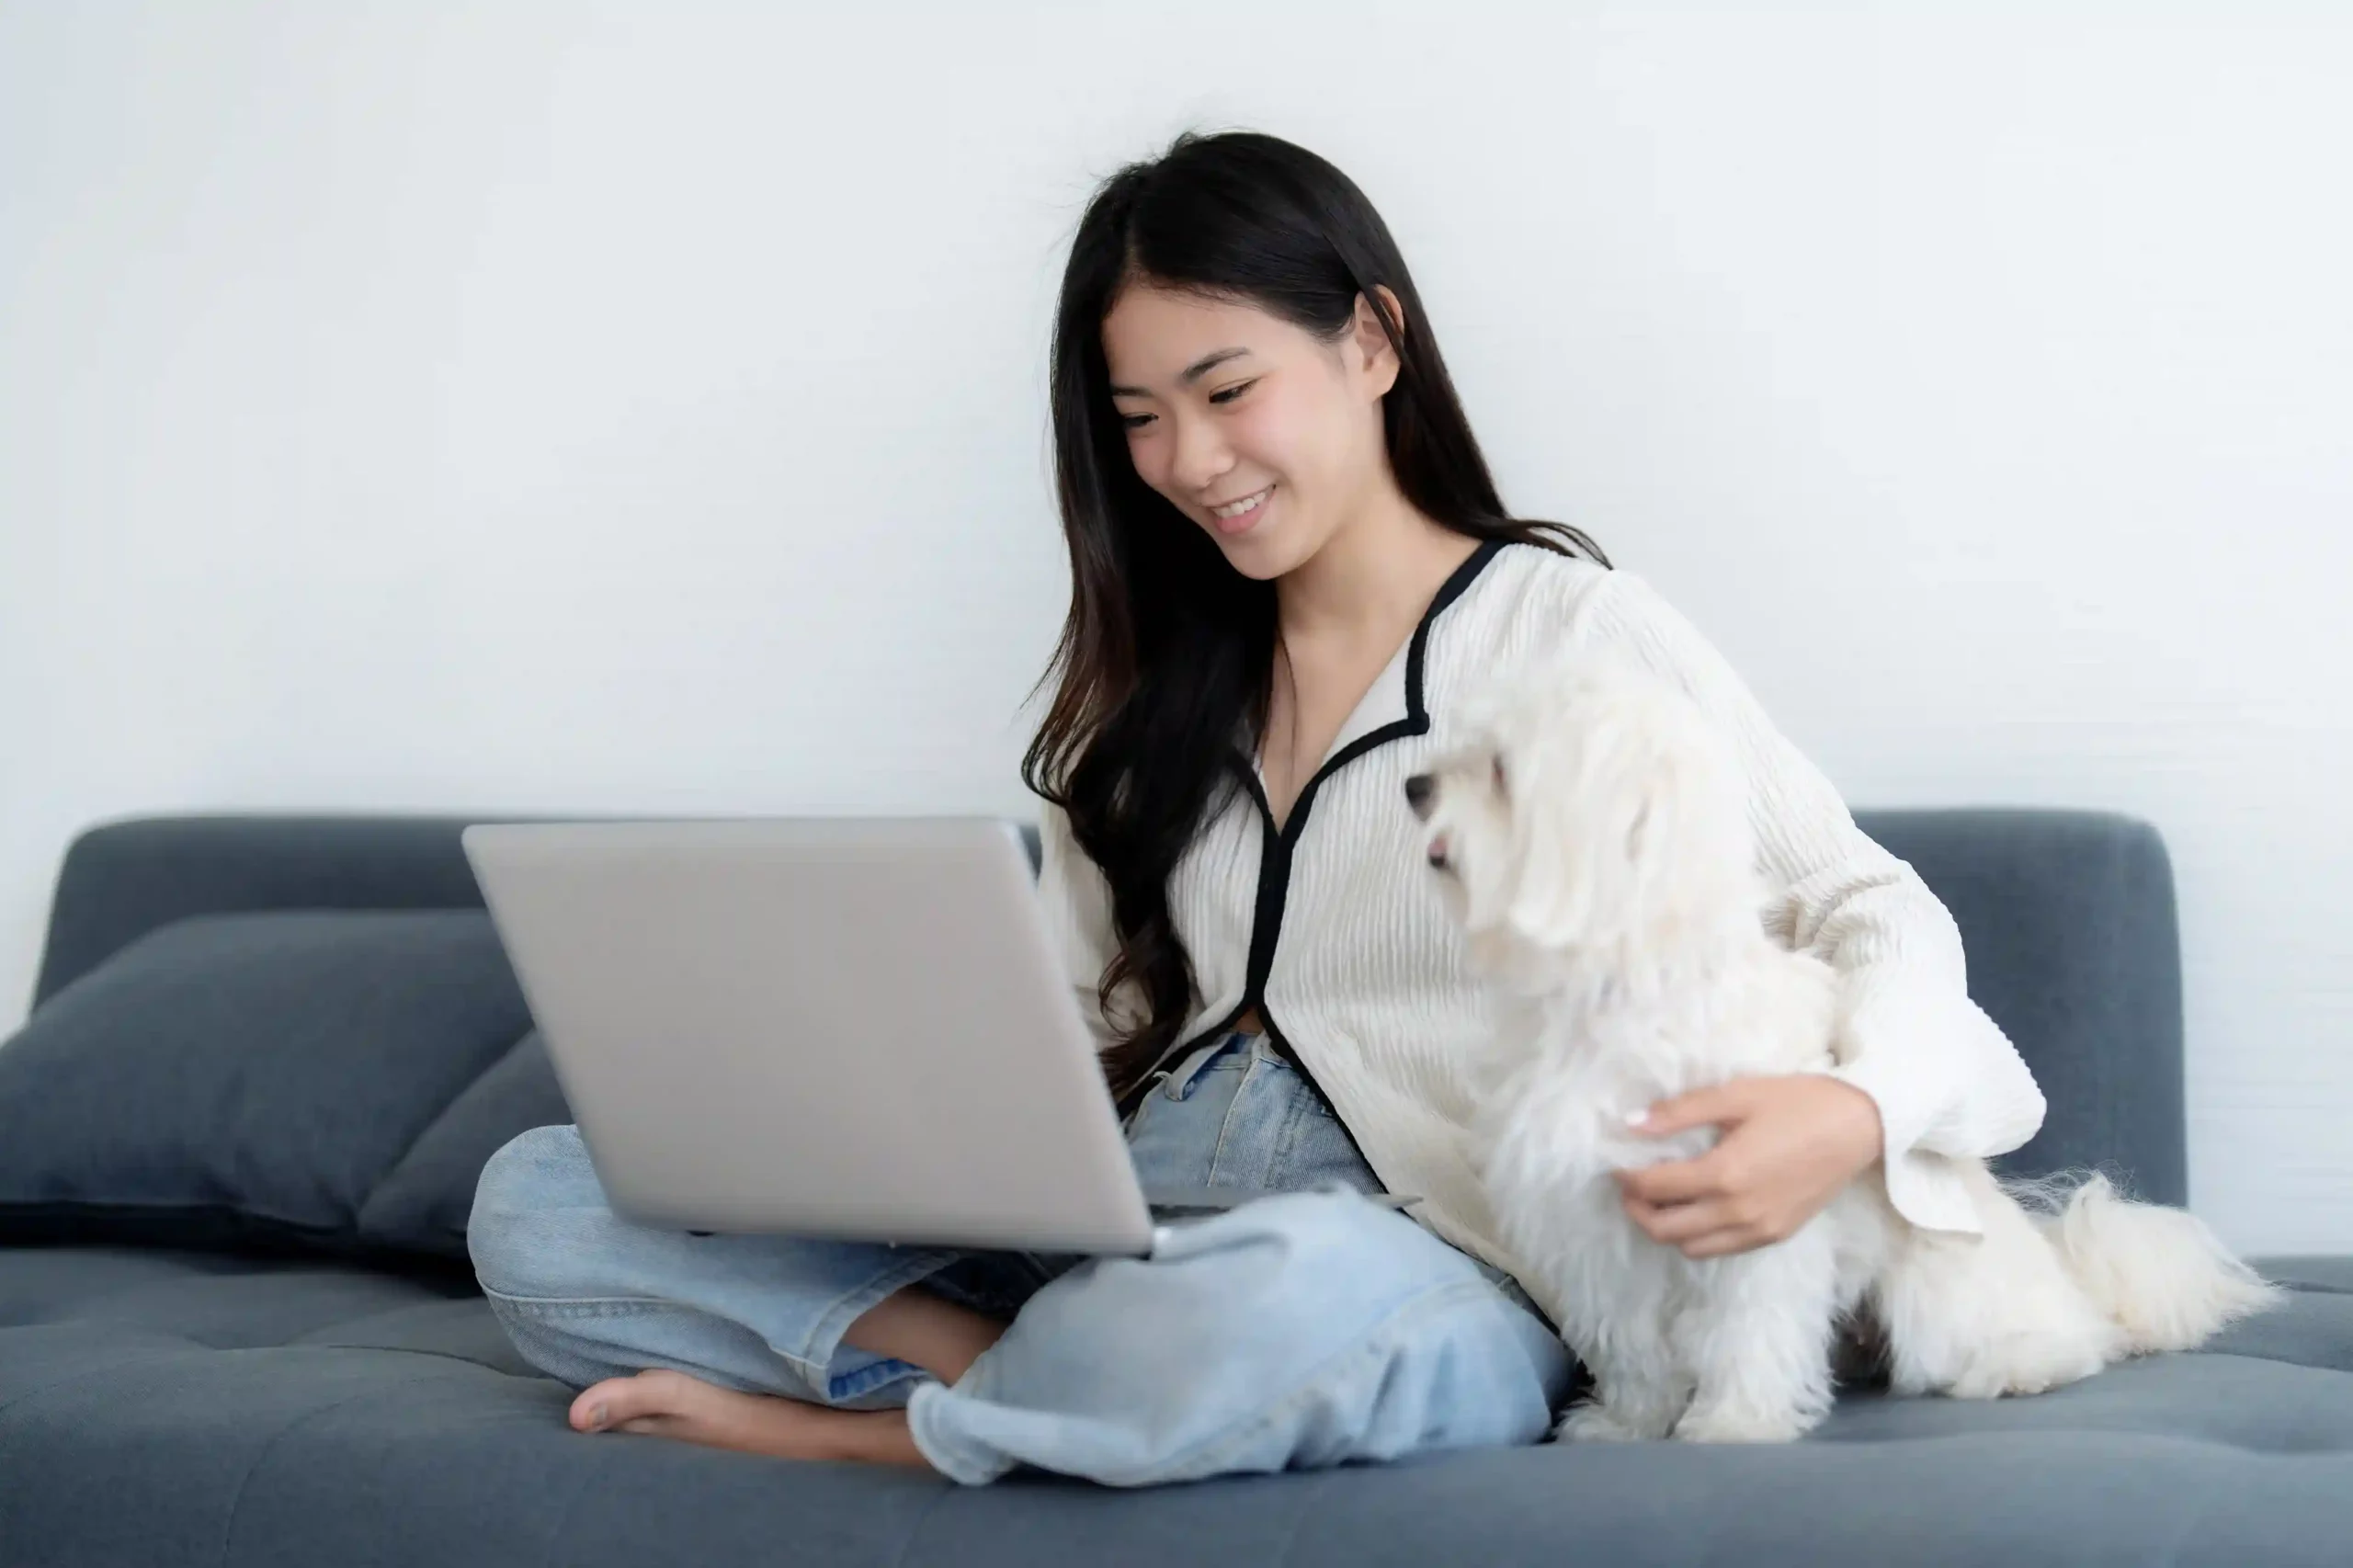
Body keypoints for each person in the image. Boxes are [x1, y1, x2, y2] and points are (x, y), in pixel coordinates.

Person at [467, 130, 2047, 1486]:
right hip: (1132, 1216)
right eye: (1139, 416)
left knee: (1271, 1301)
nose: (1187, 460)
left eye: (1227, 390)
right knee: (540, 1192)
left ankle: (918, 1416)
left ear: (1371, 341)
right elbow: (1078, 1020)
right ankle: (1037, 1369)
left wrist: (1849, 1114)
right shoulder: (1143, 696)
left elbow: (1871, 908)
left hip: (1412, 1251)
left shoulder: (1574, 636)